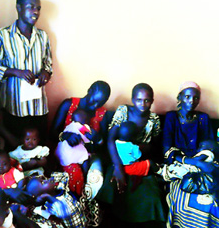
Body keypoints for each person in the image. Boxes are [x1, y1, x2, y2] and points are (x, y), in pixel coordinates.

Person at [0, 0, 53, 145]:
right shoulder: (3, 35)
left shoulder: (43, 36)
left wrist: (45, 73)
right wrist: (16, 72)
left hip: (38, 106)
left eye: (38, 8)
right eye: (31, 7)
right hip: (14, 106)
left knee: (40, 148)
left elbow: (48, 63)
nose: (36, 12)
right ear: (19, 8)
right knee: (15, 150)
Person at [100, 83, 165, 228]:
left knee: (152, 194)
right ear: (132, 99)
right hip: (118, 158)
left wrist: (140, 148)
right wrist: (117, 167)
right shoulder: (123, 111)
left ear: (152, 101)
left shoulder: (154, 119)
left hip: (139, 159)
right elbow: (111, 139)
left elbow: (154, 146)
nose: (143, 104)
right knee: (113, 186)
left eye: (147, 100)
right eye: (139, 99)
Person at [50, 80, 111, 226]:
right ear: (89, 90)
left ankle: (86, 216)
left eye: (100, 103)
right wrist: (65, 136)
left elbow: (103, 148)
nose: (95, 106)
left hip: (87, 155)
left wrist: (99, 140)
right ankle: (68, 214)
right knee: (71, 173)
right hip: (65, 152)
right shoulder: (69, 105)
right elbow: (52, 133)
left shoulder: (102, 114)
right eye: (94, 101)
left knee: (95, 177)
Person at [162, 81, 219, 228]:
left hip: (200, 162)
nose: (191, 101)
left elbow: (209, 145)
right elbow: (167, 149)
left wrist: (200, 161)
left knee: (211, 197)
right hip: (178, 164)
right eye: (187, 96)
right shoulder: (171, 118)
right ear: (179, 97)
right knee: (186, 195)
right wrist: (191, 162)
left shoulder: (203, 118)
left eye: (195, 98)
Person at [22, 172, 87, 228]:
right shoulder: (51, 206)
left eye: (43, 179)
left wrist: (51, 179)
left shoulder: (58, 188)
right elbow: (64, 212)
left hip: (83, 217)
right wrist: (48, 197)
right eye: (42, 183)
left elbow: (64, 175)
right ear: (42, 196)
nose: (46, 180)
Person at [55, 109, 92, 196]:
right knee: (85, 157)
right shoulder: (82, 127)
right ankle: (85, 175)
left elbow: (62, 135)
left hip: (60, 152)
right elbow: (87, 139)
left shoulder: (68, 126)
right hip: (72, 152)